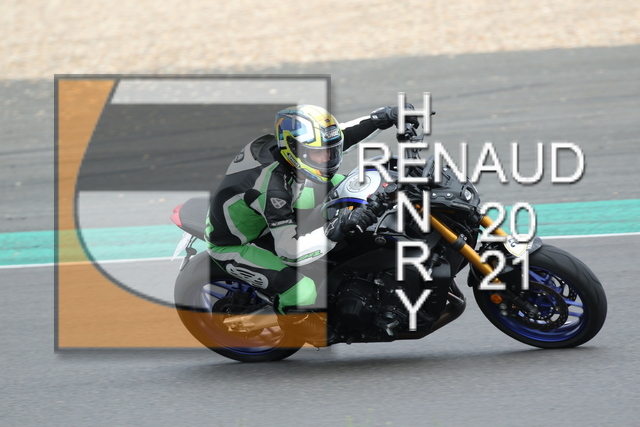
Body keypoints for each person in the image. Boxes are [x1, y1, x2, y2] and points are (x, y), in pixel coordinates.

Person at [205, 104, 417, 314]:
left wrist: (383, 117)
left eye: (330, 151)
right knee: (303, 293)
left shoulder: (294, 149)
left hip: (280, 201)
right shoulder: (273, 190)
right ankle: (289, 324)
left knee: (355, 186)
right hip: (237, 243)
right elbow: (289, 251)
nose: (327, 158)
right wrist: (335, 227)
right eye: (319, 154)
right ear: (294, 149)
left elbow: (342, 136)